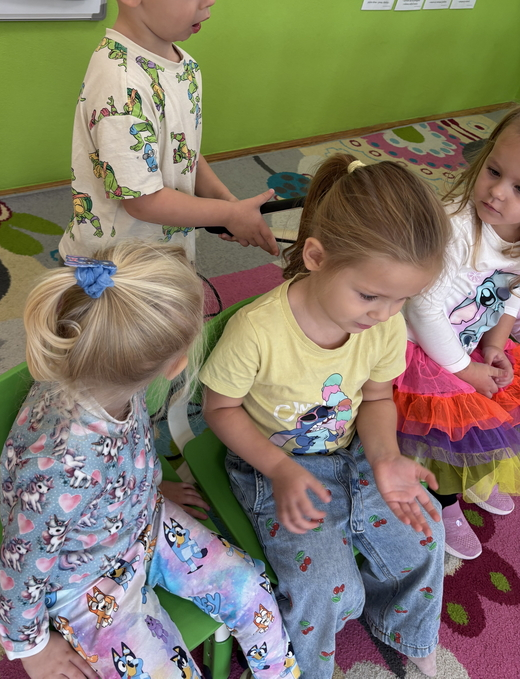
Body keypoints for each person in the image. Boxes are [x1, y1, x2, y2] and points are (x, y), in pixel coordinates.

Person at [0, 240, 299, 679]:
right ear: (174, 365)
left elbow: (128, 448)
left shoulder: (108, 372)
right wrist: (32, 649)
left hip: (142, 519)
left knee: (250, 589)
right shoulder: (60, 468)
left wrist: (144, 488)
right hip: (84, 584)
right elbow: (19, 565)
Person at [200, 154, 451, 678]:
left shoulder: (383, 324)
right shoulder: (257, 330)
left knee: (426, 536)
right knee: (327, 587)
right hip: (275, 465)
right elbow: (219, 409)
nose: (384, 314)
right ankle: (302, 666)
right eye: (370, 295)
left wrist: (385, 458)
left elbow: (377, 398)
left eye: (402, 299)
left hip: (354, 452)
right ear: (315, 256)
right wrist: (280, 469)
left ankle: (407, 630)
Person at [58, 0, 278, 266]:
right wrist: (226, 214)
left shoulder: (180, 63)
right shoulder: (121, 86)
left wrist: (226, 202)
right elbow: (143, 202)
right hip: (120, 269)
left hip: (163, 250)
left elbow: (182, 150)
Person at [394, 107, 520, 561]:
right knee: (445, 431)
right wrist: (467, 370)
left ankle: (473, 475)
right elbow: (423, 308)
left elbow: (513, 297)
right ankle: (442, 501)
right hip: (418, 348)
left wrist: (495, 344)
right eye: (494, 171)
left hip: (469, 340)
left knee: (493, 408)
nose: (497, 192)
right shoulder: (456, 225)